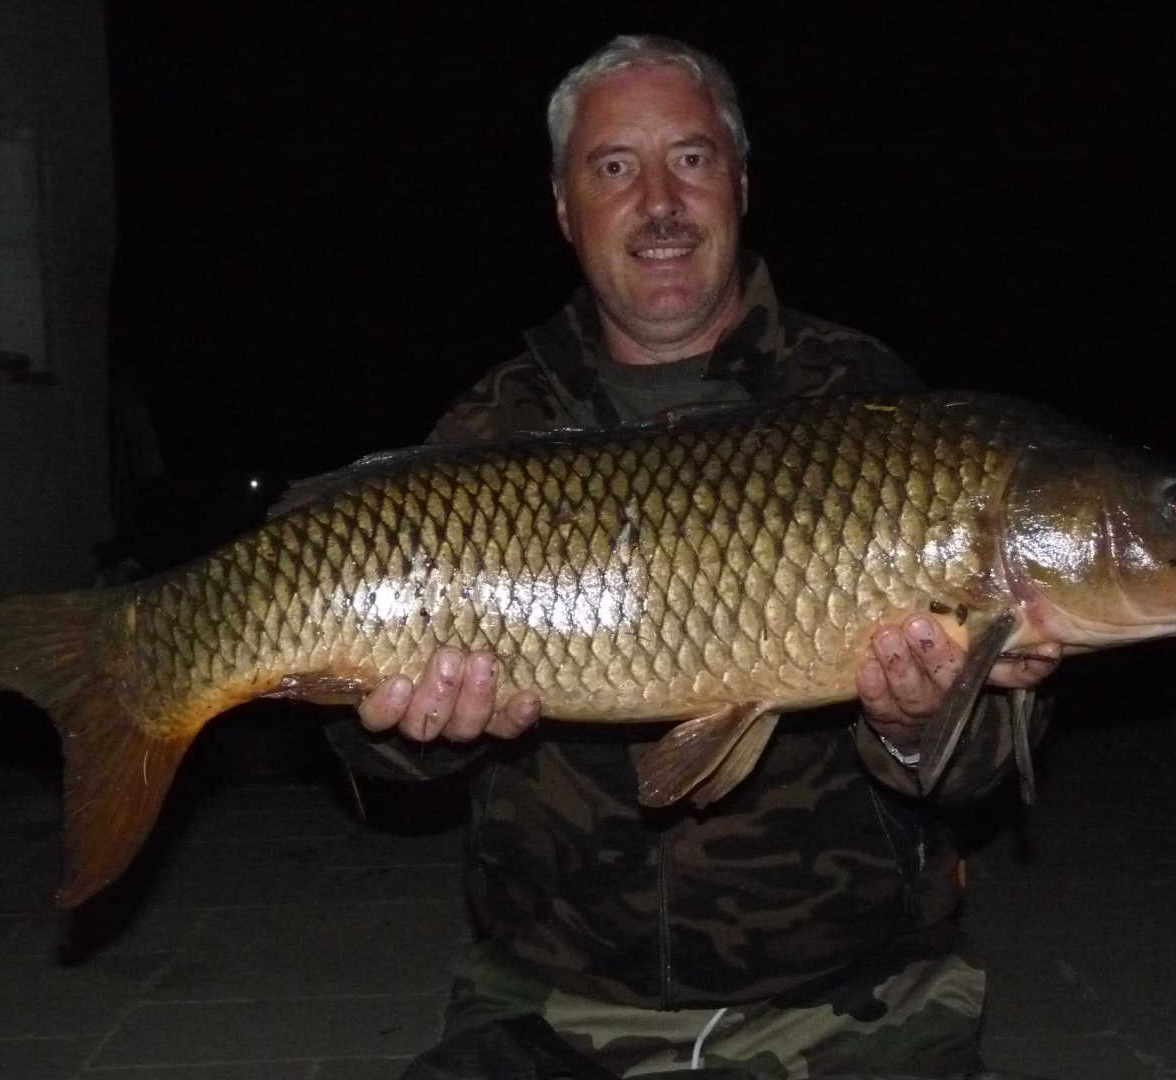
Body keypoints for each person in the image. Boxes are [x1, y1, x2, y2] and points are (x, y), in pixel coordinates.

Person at [348, 34, 1060, 1079]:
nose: (660, 204)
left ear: (741, 183)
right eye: (614, 167)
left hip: (851, 1007)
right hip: (552, 1007)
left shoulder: (864, 400)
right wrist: (416, 734)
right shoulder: (495, 425)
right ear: (564, 208)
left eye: (691, 159)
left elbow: (986, 767)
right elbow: (366, 756)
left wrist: (921, 728)